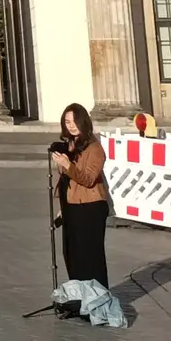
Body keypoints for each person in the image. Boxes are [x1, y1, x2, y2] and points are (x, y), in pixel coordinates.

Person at [52, 102, 110, 287]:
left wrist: (68, 165)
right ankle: (80, 298)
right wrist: (63, 208)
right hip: (71, 208)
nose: (71, 125)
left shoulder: (95, 149)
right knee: (72, 256)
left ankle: (96, 300)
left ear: (83, 121)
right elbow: (67, 182)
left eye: (74, 121)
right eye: (67, 121)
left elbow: (88, 179)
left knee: (90, 257)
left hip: (90, 208)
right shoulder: (69, 147)